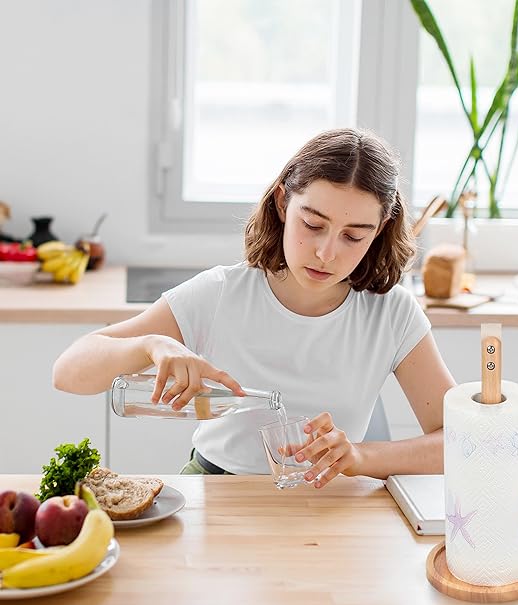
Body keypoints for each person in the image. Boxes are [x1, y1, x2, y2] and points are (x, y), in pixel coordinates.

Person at [52, 128, 455, 485]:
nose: (326, 252)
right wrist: (150, 346)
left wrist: (363, 456)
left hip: (330, 501)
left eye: (353, 236)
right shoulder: (220, 294)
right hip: (215, 491)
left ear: (380, 229)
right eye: (313, 224)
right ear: (283, 203)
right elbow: (68, 372)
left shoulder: (391, 314)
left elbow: (458, 442)